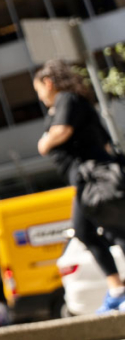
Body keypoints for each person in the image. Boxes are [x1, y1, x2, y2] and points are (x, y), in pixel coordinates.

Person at [33, 59, 125, 314]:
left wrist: (44, 142)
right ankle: (117, 290)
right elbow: (106, 144)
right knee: (110, 231)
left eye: (39, 90)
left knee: (92, 230)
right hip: (94, 180)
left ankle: (118, 290)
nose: (40, 97)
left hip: (93, 180)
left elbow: (61, 131)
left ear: (48, 83)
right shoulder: (77, 103)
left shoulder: (66, 100)